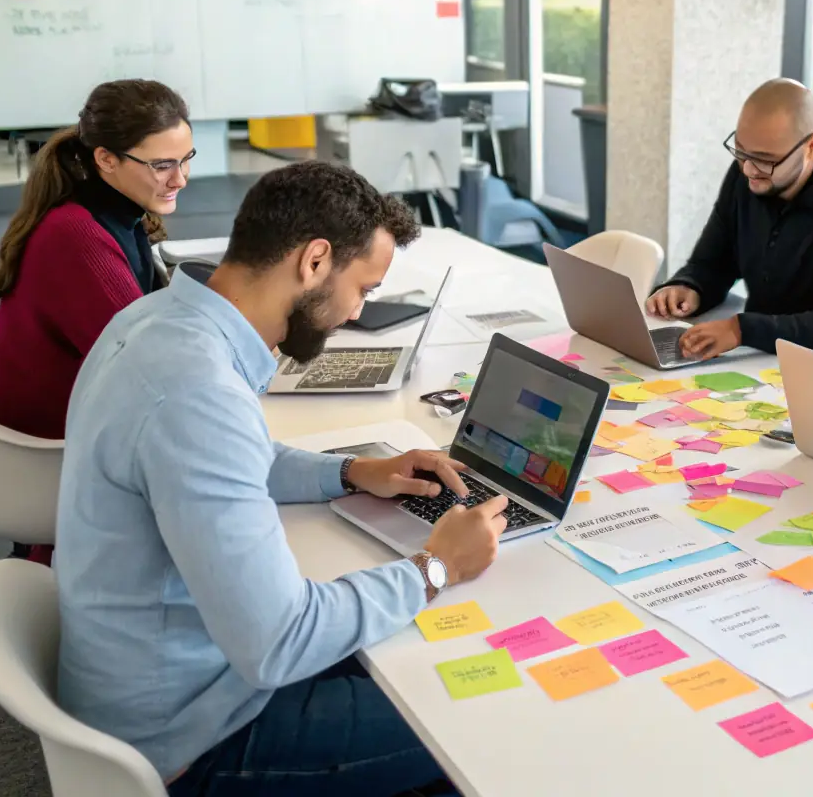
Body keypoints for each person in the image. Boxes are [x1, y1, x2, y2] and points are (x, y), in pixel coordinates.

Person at [55, 161, 509, 795]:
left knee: (413, 652)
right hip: (193, 736)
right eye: (364, 289)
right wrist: (436, 568)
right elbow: (281, 640)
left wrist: (352, 472)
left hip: (161, 671)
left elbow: (230, 461)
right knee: (486, 703)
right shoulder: (197, 392)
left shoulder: (156, 324)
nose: (355, 314)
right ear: (315, 261)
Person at [0, 79, 193, 439]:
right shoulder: (76, 237)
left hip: (81, 429)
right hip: (35, 454)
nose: (179, 179)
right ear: (106, 158)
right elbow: (148, 367)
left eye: (186, 160)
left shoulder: (120, 215)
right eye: (162, 165)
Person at [645, 78, 813, 366]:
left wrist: (741, 329)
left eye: (765, 159)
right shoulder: (749, 174)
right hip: (765, 359)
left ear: (812, 146)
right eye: (741, 151)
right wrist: (690, 287)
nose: (748, 169)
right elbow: (715, 261)